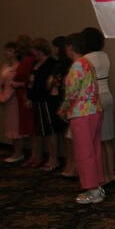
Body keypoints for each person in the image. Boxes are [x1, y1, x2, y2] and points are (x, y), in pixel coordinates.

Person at [58, 33, 104, 204]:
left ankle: (92, 190)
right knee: (94, 150)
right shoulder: (87, 63)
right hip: (94, 110)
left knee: (84, 153)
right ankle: (97, 188)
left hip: (82, 114)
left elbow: (71, 93)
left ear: (70, 47)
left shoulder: (77, 66)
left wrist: (62, 110)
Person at [82, 27, 115, 187]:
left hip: (96, 98)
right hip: (108, 94)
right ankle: (111, 174)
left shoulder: (86, 58)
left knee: (98, 140)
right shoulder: (105, 55)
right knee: (108, 139)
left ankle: (104, 176)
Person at [27, 38, 57, 170]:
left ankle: (53, 158)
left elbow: (48, 83)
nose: (33, 52)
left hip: (46, 101)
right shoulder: (36, 63)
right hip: (36, 100)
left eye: (34, 49)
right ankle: (44, 156)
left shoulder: (51, 63)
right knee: (41, 131)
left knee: (50, 131)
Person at [47, 36, 72, 175]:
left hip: (65, 100)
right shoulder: (57, 64)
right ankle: (65, 161)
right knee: (60, 132)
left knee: (68, 135)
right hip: (57, 99)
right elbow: (49, 83)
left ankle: (70, 163)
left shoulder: (69, 65)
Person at [0, 42, 24, 163]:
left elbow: (14, 85)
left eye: (8, 50)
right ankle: (15, 151)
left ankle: (19, 152)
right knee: (10, 125)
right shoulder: (5, 66)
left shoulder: (18, 66)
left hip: (13, 100)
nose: (5, 53)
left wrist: (5, 97)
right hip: (5, 99)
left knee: (15, 126)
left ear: (15, 52)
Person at [12, 35, 37, 166]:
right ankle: (34, 155)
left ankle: (34, 155)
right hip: (24, 95)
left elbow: (26, 80)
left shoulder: (28, 60)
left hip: (26, 96)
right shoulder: (29, 60)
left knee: (32, 128)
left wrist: (17, 84)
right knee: (31, 128)